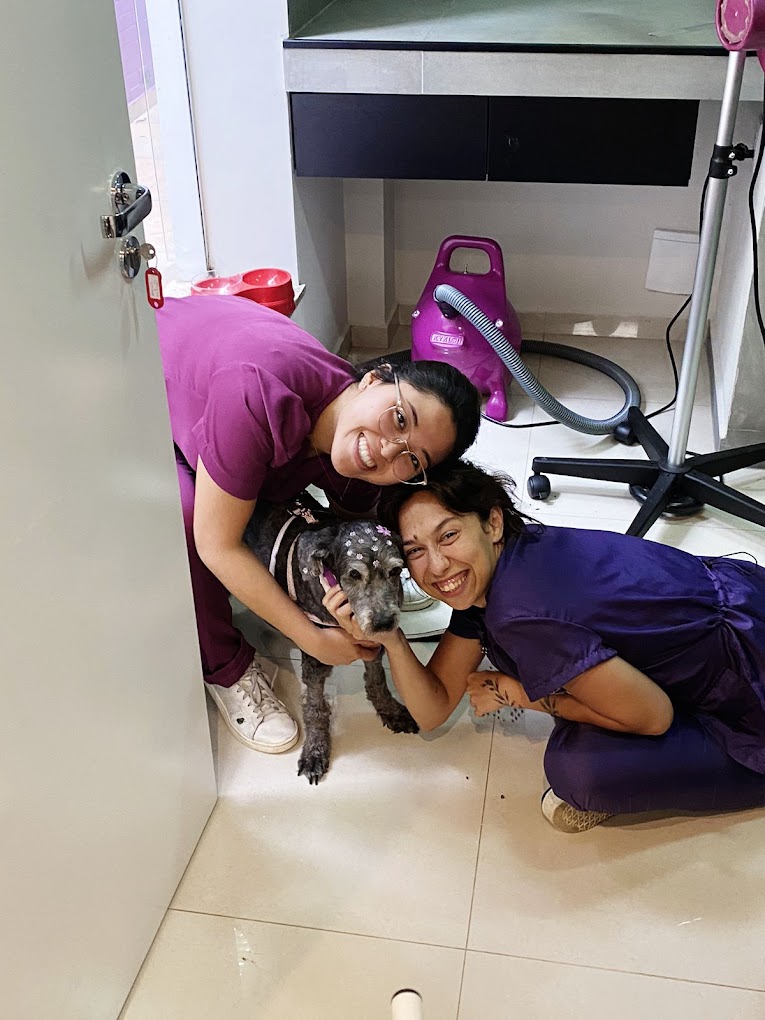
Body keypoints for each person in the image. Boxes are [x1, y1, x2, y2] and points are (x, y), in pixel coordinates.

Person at [321, 460, 765, 833]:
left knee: (577, 769)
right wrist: (391, 638)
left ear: (492, 522)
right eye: (415, 551)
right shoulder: (508, 558)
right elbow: (433, 709)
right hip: (746, 602)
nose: (437, 566)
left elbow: (652, 717)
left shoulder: (521, 615)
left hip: (748, 689)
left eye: (448, 536)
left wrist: (517, 693)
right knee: (582, 701)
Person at [156, 294, 481, 754]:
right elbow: (218, 545)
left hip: (223, 373)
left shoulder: (353, 433)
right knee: (193, 521)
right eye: (399, 418)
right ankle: (226, 668)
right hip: (150, 389)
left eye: (413, 458)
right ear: (374, 379)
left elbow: (359, 520)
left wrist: (367, 589)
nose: (388, 449)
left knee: (345, 492)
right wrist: (310, 637)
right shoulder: (257, 391)